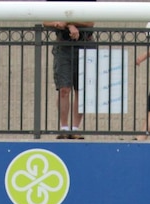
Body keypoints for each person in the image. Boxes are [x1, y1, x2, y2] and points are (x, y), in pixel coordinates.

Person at [44, 0, 95, 139]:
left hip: (85, 44)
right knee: (63, 89)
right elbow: (45, 20)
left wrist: (68, 23)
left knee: (81, 90)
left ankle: (75, 128)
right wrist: (62, 24)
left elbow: (90, 22)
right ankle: (64, 127)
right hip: (63, 46)